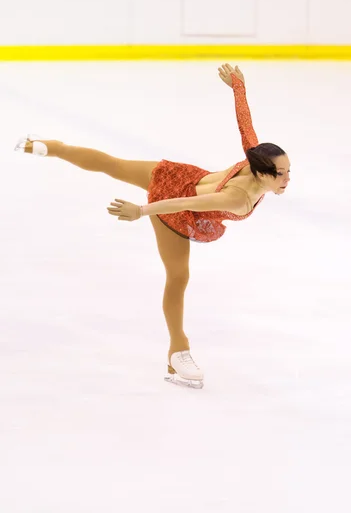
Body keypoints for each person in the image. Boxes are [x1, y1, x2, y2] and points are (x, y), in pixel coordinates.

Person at [14, 63, 291, 389]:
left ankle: (48, 147)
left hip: (180, 175)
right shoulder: (238, 199)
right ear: (261, 173)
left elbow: (246, 126)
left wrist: (238, 87)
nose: (287, 179)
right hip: (174, 208)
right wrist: (142, 210)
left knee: (113, 165)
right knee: (178, 277)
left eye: (288, 171)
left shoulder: (253, 158)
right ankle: (178, 350)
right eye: (281, 174)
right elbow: (184, 204)